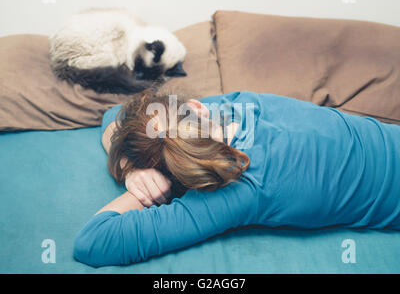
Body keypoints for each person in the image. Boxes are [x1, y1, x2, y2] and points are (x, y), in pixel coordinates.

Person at [73, 89, 400, 267]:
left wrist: (135, 173)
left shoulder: (236, 191)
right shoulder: (239, 104)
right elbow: (117, 116)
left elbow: (93, 242)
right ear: (197, 107)